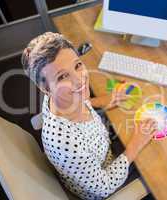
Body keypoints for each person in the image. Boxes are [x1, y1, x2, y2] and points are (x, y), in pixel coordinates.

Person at [21, 32, 157, 200]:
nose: (79, 80)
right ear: (45, 88)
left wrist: (100, 100)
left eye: (77, 65)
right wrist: (135, 145)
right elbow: (103, 187)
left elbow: (78, 96)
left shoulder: (62, 98)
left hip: (102, 148)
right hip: (105, 179)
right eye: (63, 76)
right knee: (161, 162)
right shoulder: (65, 143)